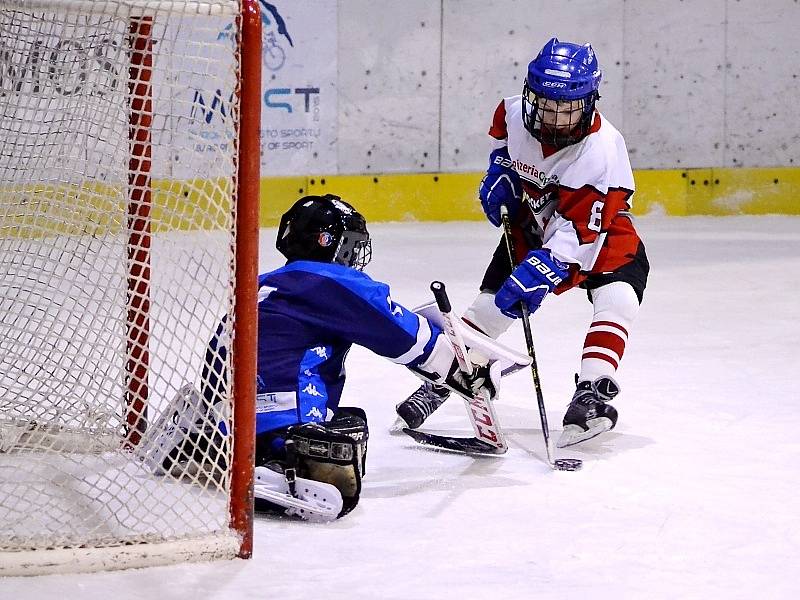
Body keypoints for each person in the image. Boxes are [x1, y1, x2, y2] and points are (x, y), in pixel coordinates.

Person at [140, 194, 506, 521]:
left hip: (227, 405)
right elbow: (403, 335)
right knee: (340, 456)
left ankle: (210, 437)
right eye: (350, 245)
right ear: (328, 243)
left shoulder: (270, 281)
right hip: (277, 409)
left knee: (349, 420)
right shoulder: (331, 282)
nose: (354, 256)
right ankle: (276, 460)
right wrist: (465, 367)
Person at [396, 38, 649, 448]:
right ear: (531, 95)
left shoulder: (601, 152)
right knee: (489, 308)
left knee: (619, 299)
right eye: (546, 104)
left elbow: (582, 233)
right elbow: (504, 145)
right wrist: (500, 171)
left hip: (597, 234)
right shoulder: (512, 111)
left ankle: (593, 392)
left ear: (589, 103)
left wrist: (546, 268)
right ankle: (452, 374)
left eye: (567, 108)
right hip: (529, 225)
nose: (555, 117)